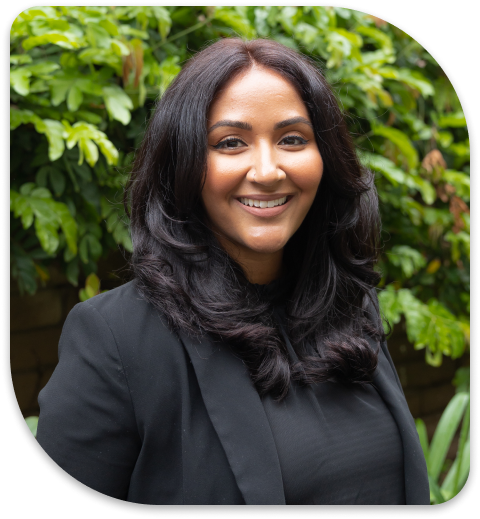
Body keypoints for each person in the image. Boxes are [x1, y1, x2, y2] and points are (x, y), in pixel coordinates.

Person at [36, 38, 430, 505]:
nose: (267, 170)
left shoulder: (352, 304)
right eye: (230, 143)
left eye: (292, 139)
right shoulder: (117, 340)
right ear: (183, 164)